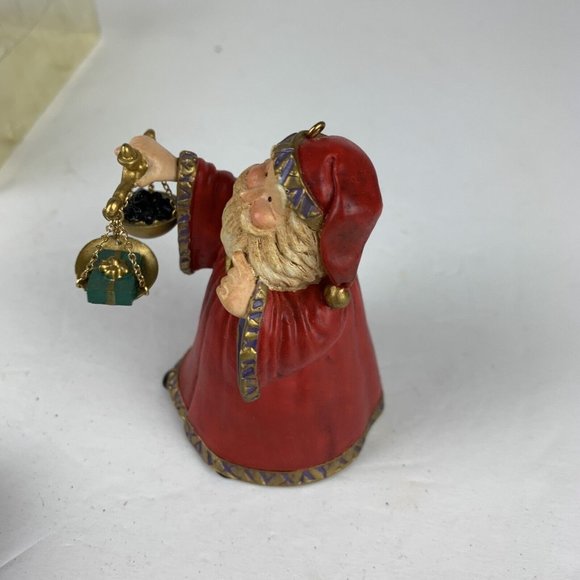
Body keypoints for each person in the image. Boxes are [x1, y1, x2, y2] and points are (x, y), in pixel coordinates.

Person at [125, 122, 383, 486]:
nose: (250, 193)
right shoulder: (252, 229)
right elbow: (218, 199)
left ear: (306, 236)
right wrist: (174, 170)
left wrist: (254, 308)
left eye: (271, 201)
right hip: (218, 356)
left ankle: (267, 451)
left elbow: (307, 337)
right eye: (265, 170)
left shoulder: (326, 296)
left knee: (276, 425)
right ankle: (207, 404)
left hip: (294, 411)